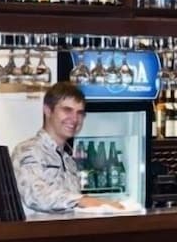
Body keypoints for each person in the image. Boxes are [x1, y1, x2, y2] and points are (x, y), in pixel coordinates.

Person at [11, 81, 123, 213]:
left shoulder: (68, 160)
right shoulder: (28, 150)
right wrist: (82, 200)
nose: (74, 119)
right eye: (67, 110)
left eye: (80, 113)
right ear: (48, 110)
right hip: (37, 227)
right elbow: (35, 196)